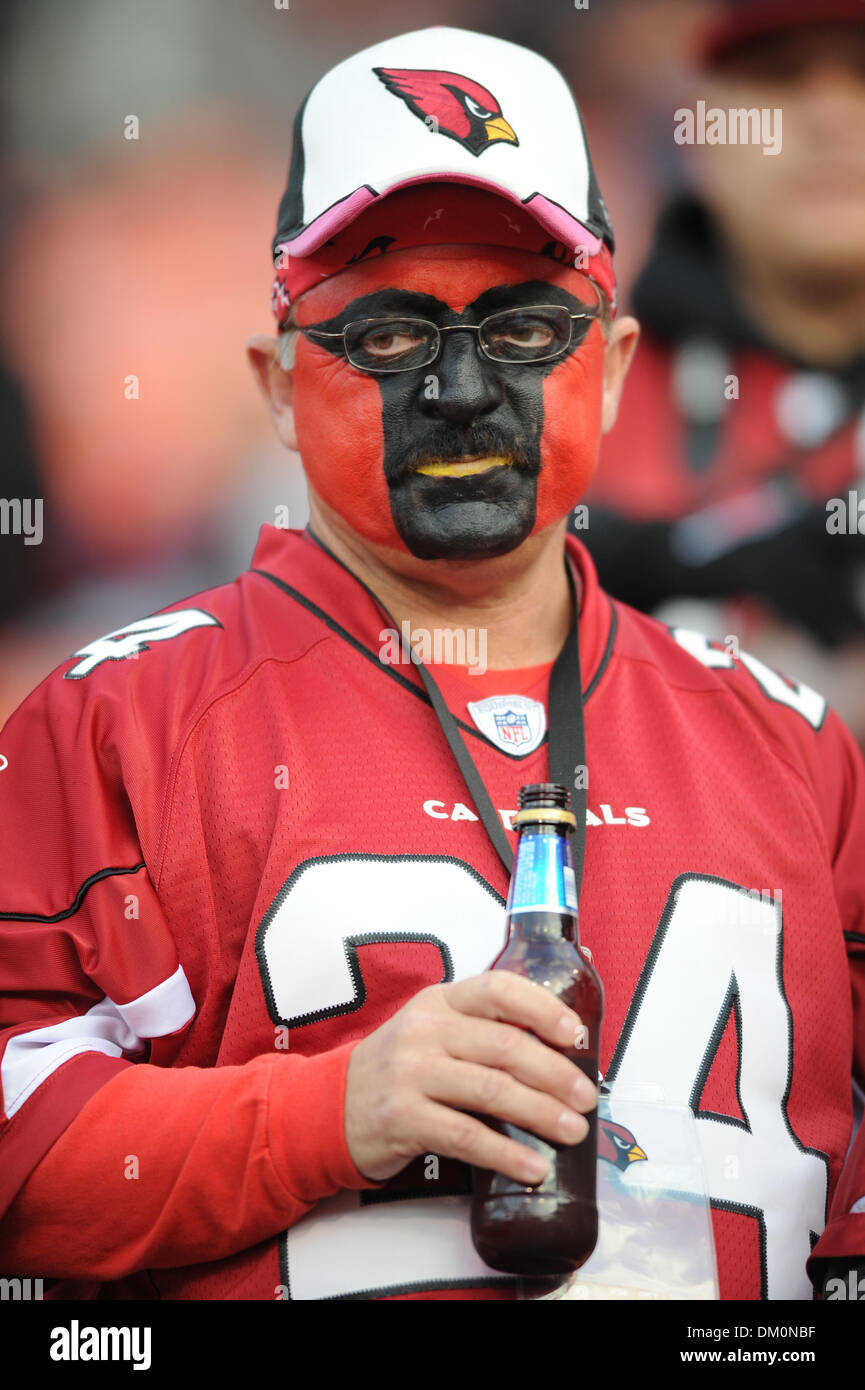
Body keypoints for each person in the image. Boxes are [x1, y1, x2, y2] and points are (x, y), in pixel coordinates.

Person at [0, 25, 862, 1303]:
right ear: (280, 385)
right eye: (390, 336)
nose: (459, 391)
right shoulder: (113, 722)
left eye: (521, 330)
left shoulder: (794, 749)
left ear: (616, 368)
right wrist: (329, 1114)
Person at [579, 0, 865, 743]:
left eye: (863, 76)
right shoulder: (568, 401)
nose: (830, 118)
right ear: (702, 136)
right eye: (780, 78)